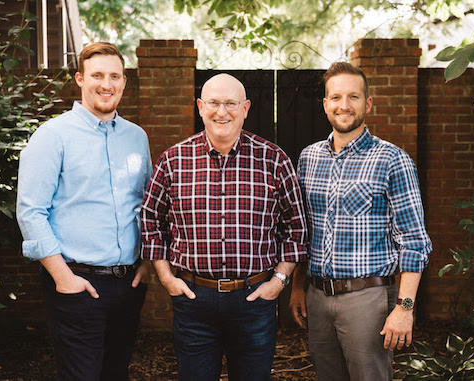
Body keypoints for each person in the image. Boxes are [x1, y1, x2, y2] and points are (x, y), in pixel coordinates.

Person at [141, 73, 308, 381]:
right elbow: (151, 221)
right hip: (194, 299)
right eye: (214, 103)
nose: (222, 112)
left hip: (255, 299)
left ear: (245, 108)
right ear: (200, 107)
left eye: (230, 103)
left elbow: (296, 228)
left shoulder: (274, 161)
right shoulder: (173, 161)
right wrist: (166, 278)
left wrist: (279, 281)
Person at [16, 42, 151, 381]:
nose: (107, 84)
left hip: (129, 283)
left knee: (116, 373)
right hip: (77, 283)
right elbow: (31, 211)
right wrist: (63, 277)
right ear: (80, 79)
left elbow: (146, 205)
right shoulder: (52, 136)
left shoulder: (137, 137)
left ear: (124, 82)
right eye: (98, 75)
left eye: (115, 76)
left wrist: (148, 262)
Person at [289, 62, 432, 381]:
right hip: (317, 297)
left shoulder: (392, 160)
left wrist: (405, 307)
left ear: (368, 103)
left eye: (353, 97)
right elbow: (304, 229)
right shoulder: (308, 158)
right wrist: (298, 287)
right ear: (325, 104)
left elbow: (414, 241)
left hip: (368, 300)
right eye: (336, 97)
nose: (344, 105)